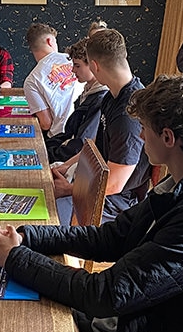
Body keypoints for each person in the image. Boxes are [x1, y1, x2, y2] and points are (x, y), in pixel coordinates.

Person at [0, 75, 183, 332]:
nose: (140, 135)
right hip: (133, 318)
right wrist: (28, 239)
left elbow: (103, 295)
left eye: (144, 127)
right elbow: (111, 236)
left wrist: (14, 258)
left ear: (167, 137)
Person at [52, 29, 150, 224]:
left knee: (43, 219)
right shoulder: (111, 96)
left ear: (94, 66)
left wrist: (69, 190)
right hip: (93, 185)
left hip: (115, 202)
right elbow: (94, 147)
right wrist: (66, 165)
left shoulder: (128, 113)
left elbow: (115, 183)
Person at [46, 37, 108, 164]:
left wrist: (51, 153)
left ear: (92, 65)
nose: (73, 70)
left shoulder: (99, 99)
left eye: (77, 65)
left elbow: (82, 143)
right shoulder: (88, 92)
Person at [23, 23, 82, 138]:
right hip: (86, 130)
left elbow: (46, 123)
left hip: (61, 137)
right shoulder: (74, 60)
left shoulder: (31, 81)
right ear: (50, 41)